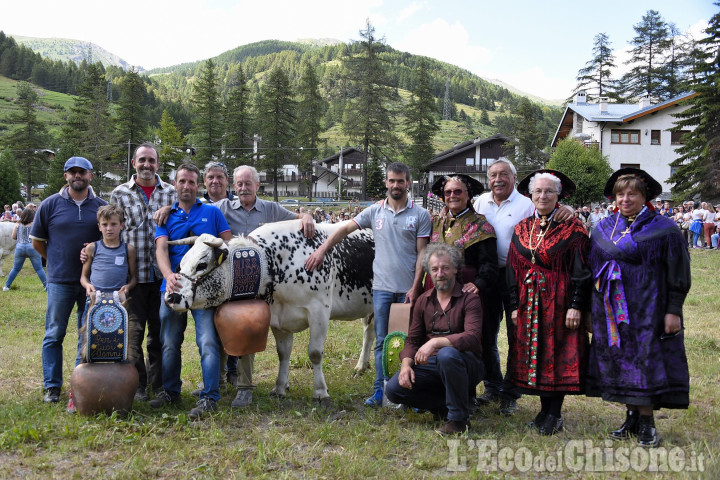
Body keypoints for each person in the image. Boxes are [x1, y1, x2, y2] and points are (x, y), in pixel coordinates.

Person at [306, 162, 431, 406]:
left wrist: (416, 288)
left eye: (401, 181)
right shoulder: (374, 212)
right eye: (392, 181)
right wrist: (322, 249)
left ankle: (407, 393)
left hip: (407, 290)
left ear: (408, 183)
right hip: (381, 289)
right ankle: (380, 390)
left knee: (407, 342)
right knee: (382, 341)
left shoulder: (421, 215)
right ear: (386, 182)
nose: (396, 185)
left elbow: (422, 256)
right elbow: (344, 230)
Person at [587, 168, 691, 448]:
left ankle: (647, 423)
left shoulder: (664, 230)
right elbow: (591, 269)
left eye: (632, 193)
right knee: (621, 361)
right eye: (620, 193)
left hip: (649, 309)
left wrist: (674, 309)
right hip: (611, 311)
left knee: (645, 361)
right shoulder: (604, 227)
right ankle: (631, 418)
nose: (625, 198)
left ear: (646, 197)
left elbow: (678, 271)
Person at [471, 159, 575, 416]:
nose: (498, 179)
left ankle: (511, 392)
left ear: (514, 178)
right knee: (485, 334)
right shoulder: (480, 202)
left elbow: (548, 216)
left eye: (504, 174)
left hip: (519, 276)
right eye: (493, 174)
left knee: (518, 334)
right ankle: (493, 385)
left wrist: (567, 209)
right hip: (486, 275)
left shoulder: (527, 203)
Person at [214, 165, 315, 408]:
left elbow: (299, 219)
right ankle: (218, 382)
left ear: (258, 185)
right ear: (233, 186)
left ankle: (245, 387)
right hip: (231, 282)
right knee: (219, 330)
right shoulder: (221, 208)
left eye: (248, 183)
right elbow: (197, 211)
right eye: (239, 184)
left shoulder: (271, 209)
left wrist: (307, 214)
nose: (243, 188)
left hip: (266, 286)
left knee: (246, 327)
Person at [506, 170, 591, 435]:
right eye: (538, 191)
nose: (543, 196)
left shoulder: (573, 227)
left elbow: (582, 269)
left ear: (559, 196)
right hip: (529, 303)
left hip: (561, 302)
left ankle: (554, 413)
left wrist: (576, 305)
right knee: (538, 354)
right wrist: (513, 306)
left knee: (558, 352)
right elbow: (511, 268)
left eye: (549, 191)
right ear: (531, 195)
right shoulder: (521, 227)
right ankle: (543, 411)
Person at [149, 164, 232, 419]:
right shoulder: (166, 216)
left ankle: (210, 397)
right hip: (172, 287)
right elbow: (161, 249)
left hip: (205, 292)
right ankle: (170, 391)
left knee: (207, 342)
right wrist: (167, 275)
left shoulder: (211, 212)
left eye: (191, 182)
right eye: (182, 181)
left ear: (199, 185)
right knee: (170, 343)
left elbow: (228, 247)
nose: (186, 186)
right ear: (175, 184)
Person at [30, 157, 107, 405]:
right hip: (59, 281)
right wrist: (54, 259)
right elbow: (37, 241)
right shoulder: (49, 205)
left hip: (92, 283)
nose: (77, 176)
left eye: (82, 172)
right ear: (66, 176)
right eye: (72, 172)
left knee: (86, 337)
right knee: (54, 334)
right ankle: (52, 386)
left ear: (90, 176)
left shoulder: (101, 206)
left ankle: (78, 386)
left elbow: (109, 240)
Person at [385, 243, 484, 435]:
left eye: (445, 268)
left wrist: (435, 342)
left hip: (466, 363)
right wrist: (406, 365)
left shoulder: (469, 299)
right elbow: (412, 340)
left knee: (447, 355)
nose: (440, 273)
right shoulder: (423, 300)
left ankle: (458, 421)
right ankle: (446, 406)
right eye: (435, 269)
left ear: (456, 268)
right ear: (429, 273)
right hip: (432, 365)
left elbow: (472, 336)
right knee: (393, 389)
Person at [109, 142, 176, 402]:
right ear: (133, 163)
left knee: (159, 337)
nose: (147, 165)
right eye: (142, 160)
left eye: (151, 160)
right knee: (133, 337)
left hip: (162, 280)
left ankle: (159, 385)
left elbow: (190, 212)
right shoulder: (119, 194)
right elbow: (110, 230)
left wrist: (171, 208)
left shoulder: (171, 193)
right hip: (132, 280)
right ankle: (138, 385)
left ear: (158, 164)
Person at [3, 208, 47, 291]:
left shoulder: (17, 224)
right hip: (32, 247)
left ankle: (6, 286)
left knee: (16, 269)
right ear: (32, 216)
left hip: (20, 247)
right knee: (39, 268)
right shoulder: (35, 224)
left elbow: (13, 236)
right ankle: (46, 286)